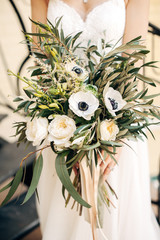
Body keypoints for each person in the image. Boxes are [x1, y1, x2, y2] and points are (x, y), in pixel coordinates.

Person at [31, 0, 160, 239]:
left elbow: (133, 65)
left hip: (117, 122)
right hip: (60, 127)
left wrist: (114, 137)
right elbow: (41, 57)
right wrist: (66, 131)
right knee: (63, 219)